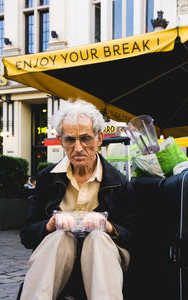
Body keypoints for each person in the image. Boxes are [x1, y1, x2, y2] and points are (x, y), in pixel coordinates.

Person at [19, 100, 137, 300]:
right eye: (70, 140)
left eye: (85, 139)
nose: (78, 147)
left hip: (105, 258)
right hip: (59, 257)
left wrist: (108, 227)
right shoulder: (47, 178)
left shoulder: (119, 183)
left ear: (99, 138)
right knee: (59, 237)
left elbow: (135, 235)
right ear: (60, 140)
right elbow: (27, 235)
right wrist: (49, 225)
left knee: (98, 238)